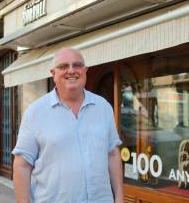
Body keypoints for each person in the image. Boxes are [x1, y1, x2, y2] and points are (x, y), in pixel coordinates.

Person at [12, 48, 124, 203]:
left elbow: (112, 154)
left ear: (85, 71)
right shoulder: (35, 112)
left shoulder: (103, 107)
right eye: (64, 66)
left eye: (77, 65)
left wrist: (119, 198)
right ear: (53, 73)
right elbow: (22, 165)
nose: (71, 71)